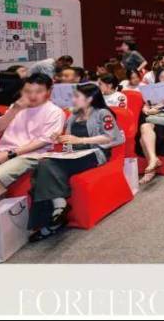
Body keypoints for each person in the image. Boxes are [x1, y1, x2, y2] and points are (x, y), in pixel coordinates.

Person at [27, 83, 124, 241]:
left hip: (94, 153)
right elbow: (68, 140)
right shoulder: (73, 116)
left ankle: (53, 220)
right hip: (73, 154)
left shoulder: (103, 113)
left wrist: (81, 140)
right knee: (43, 165)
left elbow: (112, 137)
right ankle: (58, 208)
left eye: (77, 96)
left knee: (48, 168)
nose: (73, 99)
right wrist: (59, 138)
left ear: (89, 99)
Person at [0, 74, 65, 199]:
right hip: (3, 150)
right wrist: (14, 110)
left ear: (49, 91)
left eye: (39, 91)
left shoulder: (55, 112)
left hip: (30, 155)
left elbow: (43, 141)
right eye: (28, 91)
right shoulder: (16, 106)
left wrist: (9, 154)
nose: (32, 96)